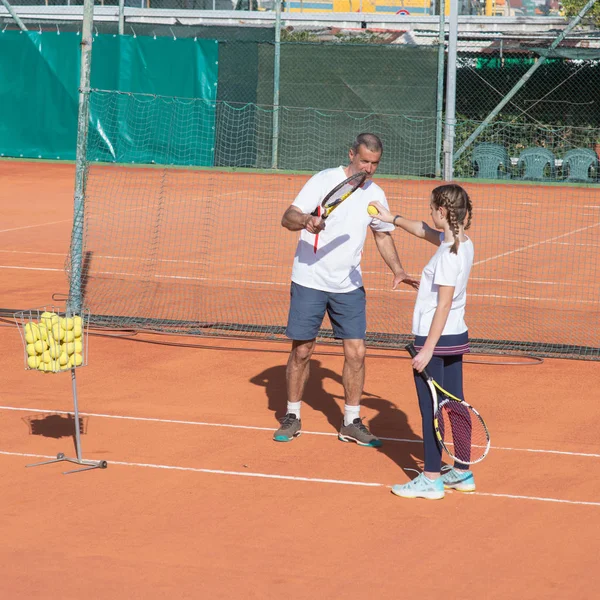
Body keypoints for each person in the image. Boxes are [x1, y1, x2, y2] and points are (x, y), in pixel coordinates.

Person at [275, 133, 418, 447]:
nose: (368, 168)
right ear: (352, 153)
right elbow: (288, 217)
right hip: (309, 280)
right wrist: (306, 221)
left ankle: (351, 421)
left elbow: (382, 235)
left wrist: (398, 270)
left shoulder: (375, 193)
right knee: (302, 351)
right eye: (364, 160)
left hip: (349, 286)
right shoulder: (324, 180)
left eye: (375, 164)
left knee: (357, 353)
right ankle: (292, 414)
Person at [369, 183, 475, 499]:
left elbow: (443, 303)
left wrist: (426, 349)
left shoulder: (447, 256)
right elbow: (424, 230)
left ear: (443, 211)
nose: (429, 214)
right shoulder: (462, 243)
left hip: (436, 339)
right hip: (456, 334)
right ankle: (462, 471)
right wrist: (392, 217)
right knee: (455, 403)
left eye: (432, 209)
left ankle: (430, 477)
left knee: (431, 408)